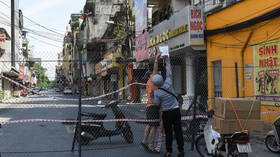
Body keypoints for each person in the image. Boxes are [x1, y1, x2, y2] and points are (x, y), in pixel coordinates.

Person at [152, 55, 185, 157]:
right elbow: (169, 71)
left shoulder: (157, 92)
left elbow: (157, 104)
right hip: (176, 110)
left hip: (166, 113)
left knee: (168, 132)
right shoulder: (169, 82)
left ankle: (169, 151)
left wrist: (152, 96)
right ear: (162, 78)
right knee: (178, 130)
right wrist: (167, 60)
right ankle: (181, 150)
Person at [141, 53, 161, 153]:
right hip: (153, 106)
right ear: (151, 75)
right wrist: (156, 59)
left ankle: (145, 141)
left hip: (149, 105)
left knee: (149, 124)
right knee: (154, 126)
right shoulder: (153, 80)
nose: (158, 75)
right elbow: (155, 70)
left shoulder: (148, 82)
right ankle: (150, 145)